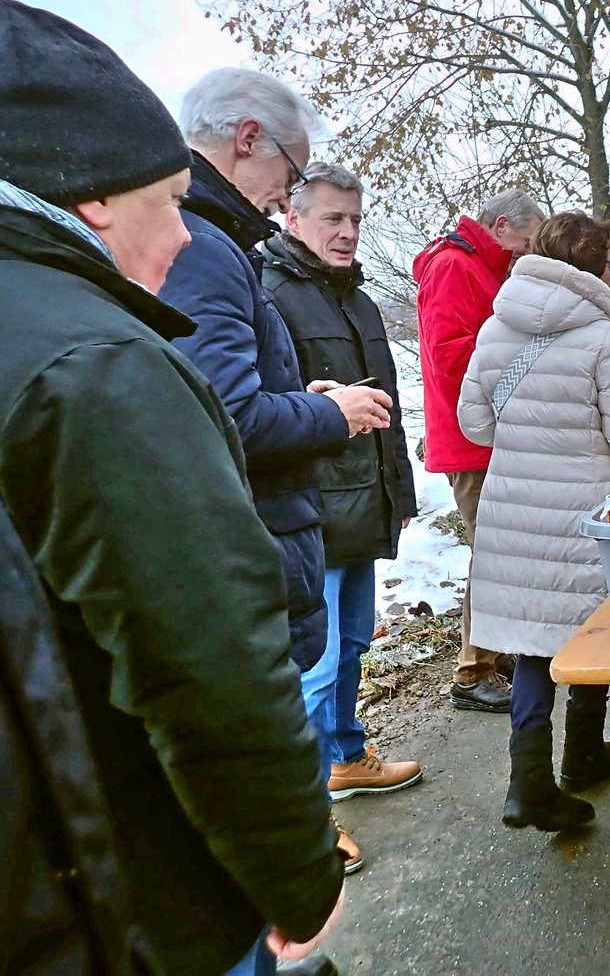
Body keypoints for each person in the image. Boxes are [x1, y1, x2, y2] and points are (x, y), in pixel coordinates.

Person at [0, 1, 342, 976]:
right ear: (95, 199)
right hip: (140, 896)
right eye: (172, 203)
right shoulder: (99, 363)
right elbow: (208, 662)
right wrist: (296, 880)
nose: (187, 240)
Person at [159, 67, 395, 877]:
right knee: (305, 666)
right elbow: (225, 409)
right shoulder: (211, 250)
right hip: (293, 508)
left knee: (341, 646)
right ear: (249, 140)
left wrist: (309, 397)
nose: (283, 192)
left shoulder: (232, 248)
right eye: (293, 177)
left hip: (334, 501)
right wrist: (327, 414)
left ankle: (328, 779)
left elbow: (242, 383)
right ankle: (301, 831)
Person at [458, 211, 610, 832]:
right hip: (580, 506)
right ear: (598, 267)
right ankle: (583, 755)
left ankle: (529, 782)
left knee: (531, 645)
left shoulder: (496, 328)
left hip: (514, 506)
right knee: (586, 631)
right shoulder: (601, 337)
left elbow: (475, 425)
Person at [262, 162, 423, 812]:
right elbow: (268, 411)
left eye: (355, 219)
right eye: (333, 218)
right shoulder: (269, 293)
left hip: (366, 504)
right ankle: (306, 815)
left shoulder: (358, 300)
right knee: (315, 664)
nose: (348, 232)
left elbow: (389, 413)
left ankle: (347, 756)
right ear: (293, 218)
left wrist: (401, 496)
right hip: (311, 514)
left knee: (354, 644)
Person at [415, 189, 545, 714]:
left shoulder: (484, 267)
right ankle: (472, 671)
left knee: (505, 548)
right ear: (502, 225)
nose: (526, 252)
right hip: (471, 440)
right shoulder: (453, 267)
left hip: (487, 435)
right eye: (526, 241)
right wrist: (522, 355)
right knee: (493, 553)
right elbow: (450, 355)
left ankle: (497, 646)